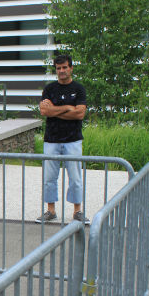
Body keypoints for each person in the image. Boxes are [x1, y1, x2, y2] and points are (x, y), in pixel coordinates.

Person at [36, 54, 88, 224]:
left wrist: (55, 110)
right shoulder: (49, 89)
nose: (62, 71)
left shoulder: (79, 89)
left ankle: (77, 211)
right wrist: (67, 108)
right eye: (59, 68)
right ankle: (50, 210)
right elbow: (44, 112)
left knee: (75, 177)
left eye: (65, 67)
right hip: (52, 140)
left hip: (73, 140)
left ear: (71, 68)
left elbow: (80, 114)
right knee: (49, 177)